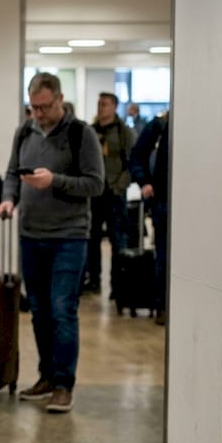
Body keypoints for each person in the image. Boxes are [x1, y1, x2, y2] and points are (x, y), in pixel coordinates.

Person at [0, 72, 104, 413]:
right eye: (34, 107)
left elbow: (95, 184)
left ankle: (63, 384)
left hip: (69, 236)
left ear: (59, 99)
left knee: (61, 309)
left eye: (44, 107)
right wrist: (9, 199)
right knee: (40, 311)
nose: (38, 114)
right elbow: (13, 173)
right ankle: (46, 375)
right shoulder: (24, 130)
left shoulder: (80, 133)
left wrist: (53, 180)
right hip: (31, 234)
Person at [85, 92, 135, 295]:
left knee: (117, 240)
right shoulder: (91, 130)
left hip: (114, 194)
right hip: (95, 194)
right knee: (92, 239)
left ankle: (118, 285)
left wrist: (119, 186)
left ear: (114, 107)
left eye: (104, 104)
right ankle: (94, 280)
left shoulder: (124, 132)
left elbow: (132, 163)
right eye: (98, 104)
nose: (101, 108)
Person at [130, 111, 169, 325]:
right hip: (162, 202)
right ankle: (162, 305)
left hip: (194, 204)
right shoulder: (159, 125)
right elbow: (137, 156)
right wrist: (144, 182)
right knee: (163, 255)